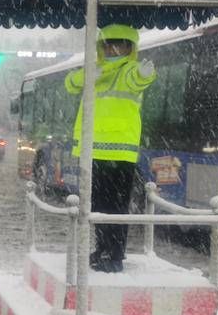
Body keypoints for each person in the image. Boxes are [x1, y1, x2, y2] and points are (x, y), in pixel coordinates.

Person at [65, 24, 156, 273]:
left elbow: (138, 79)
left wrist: (145, 74)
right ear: (102, 47)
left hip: (120, 152)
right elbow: (70, 84)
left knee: (115, 206)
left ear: (131, 48)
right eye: (109, 44)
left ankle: (115, 255)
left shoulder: (130, 69)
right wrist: (88, 75)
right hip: (93, 150)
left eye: (121, 44)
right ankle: (102, 247)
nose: (114, 49)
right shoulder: (96, 70)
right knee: (96, 205)